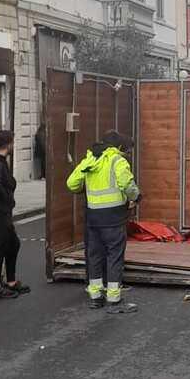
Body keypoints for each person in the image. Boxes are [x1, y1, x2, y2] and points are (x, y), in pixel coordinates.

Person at [66, 130, 141, 311]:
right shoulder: (117, 160)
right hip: (113, 218)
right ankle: (114, 299)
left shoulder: (90, 159)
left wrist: (83, 190)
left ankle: (96, 296)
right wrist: (136, 196)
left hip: (93, 219)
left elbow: (71, 183)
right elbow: (126, 184)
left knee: (94, 256)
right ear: (119, 146)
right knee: (114, 256)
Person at [0, 130, 30, 298]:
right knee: (0, 248)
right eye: (13, 143)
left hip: (1, 210)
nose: (13, 145)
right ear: (9, 144)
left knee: (13, 244)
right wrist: (6, 198)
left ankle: (11, 281)